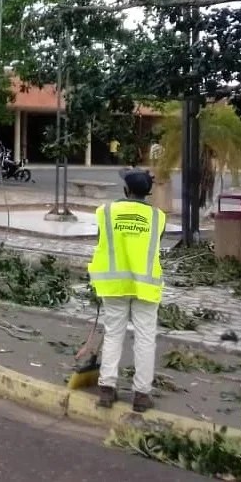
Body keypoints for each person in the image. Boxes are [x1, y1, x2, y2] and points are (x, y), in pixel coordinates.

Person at [88, 169, 166, 413]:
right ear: (148, 193)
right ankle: (141, 395)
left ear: (125, 190)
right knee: (145, 338)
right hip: (145, 286)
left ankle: (106, 390)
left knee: (113, 334)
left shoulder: (106, 212)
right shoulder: (158, 217)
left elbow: (102, 242)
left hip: (114, 285)